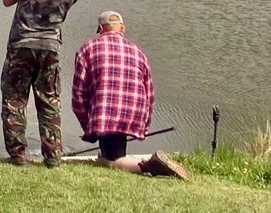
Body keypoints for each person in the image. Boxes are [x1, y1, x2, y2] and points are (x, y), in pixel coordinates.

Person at [72, 11, 190, 180]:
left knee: (109, 161)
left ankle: (150, 165)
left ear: (100, 28)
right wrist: (144, 125)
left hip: (105, 113)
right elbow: (150, 94)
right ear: (123, 29)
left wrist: (88, 126)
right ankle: (127, 159)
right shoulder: (139, 52)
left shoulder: (88, 49)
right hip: (135, 113)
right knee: (114, 150)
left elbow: (78, 95)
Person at [1, 0, 80, 168]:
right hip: (50, 49)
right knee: (49, 102)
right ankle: (53, 157)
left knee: (15, 100)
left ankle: (18, 156)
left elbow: (7, 0)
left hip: (21, 47)